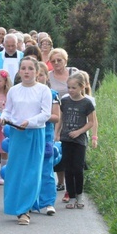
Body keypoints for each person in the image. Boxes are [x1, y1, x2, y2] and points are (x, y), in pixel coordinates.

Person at [0, 57, 52, 225]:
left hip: (35, 133)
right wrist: (2, 117)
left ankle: (25, 210)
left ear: (36, 72)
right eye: (23, 68)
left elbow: (46, 114)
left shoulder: (43, 90)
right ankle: (15, 206)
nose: (27, 71)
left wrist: (29, 122)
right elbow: (7, 111)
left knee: (32, 172)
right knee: (16, 171)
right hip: (17, 134)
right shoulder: (14, 90)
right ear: (19, 71)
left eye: (30, 68)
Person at [56, 71, 98, 210]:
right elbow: (61, 118)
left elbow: (91, 122)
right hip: (66, 139)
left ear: (81, 87)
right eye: (69, 87)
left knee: (78, 168)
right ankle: (72, 196)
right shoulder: (65, 101)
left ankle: (79, 195)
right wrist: (57, 133)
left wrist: (79, 132)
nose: (70, 90)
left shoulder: (87, 103)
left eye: (74, 88)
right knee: (68, 168)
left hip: (79, 140)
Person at [48, 47, 77, 194]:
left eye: (59, 60)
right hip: (56, 116)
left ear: (65, 60)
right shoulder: (48, 76)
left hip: (74, 117)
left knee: (72, 150)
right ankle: (60, 181)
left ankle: (72, 184)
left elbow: (85, 90)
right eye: (53, 61)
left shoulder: (74, 73)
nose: (57, 63)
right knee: (57, 149)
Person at [33, 61, 60, 215]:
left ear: (46, 77)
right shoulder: (25, 93)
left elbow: (56, 117)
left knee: (46, 169)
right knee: (31, 169)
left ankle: (48, 202)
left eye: (41, 75)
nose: (38, 77)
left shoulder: (52, 94)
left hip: (45, 135)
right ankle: (31, 201)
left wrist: (39, 117)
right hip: (29, 135)